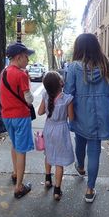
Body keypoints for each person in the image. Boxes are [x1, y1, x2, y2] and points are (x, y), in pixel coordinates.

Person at [64, 33, 109, 203]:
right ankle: (90, 189)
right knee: (95, 151)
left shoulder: (74, 68)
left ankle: (80, 167)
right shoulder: (105, 65)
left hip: (81, 114)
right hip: (101, 116)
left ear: (79, 47)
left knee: (80, 143)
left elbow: (68, 93)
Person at [0, 42, 35, 199]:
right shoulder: (21, 75)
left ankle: (15, 173)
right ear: (19, 57)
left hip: (7, 116)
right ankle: (19, 187)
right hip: (20, 116)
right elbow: (29, 99)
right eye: (26, 56)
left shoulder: (4, 73)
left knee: (15, 145)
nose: (28, 60)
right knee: (21, 150)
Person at [38, 71, 74, 201]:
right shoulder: (67, 99)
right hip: (61, 130)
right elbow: (72, 118)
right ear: (60, 83)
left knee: (48, 154)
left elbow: (40, 111)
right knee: (59, 161)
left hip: (48, 128)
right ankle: (57, 191)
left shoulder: (46, 96)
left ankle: (48, 179)